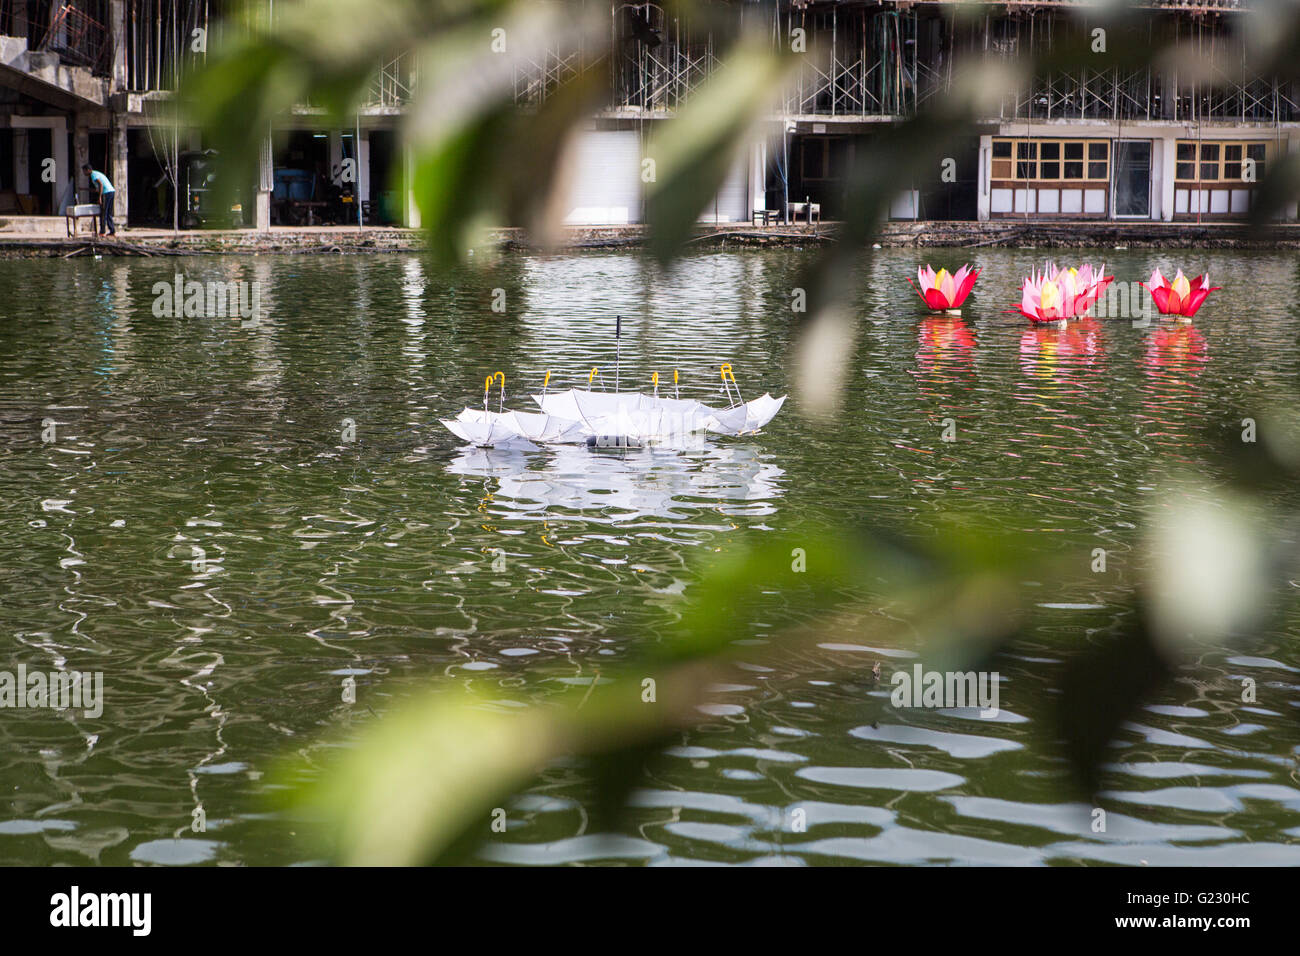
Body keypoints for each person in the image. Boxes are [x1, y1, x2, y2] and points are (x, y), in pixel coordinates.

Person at [82, 163, 116, 236]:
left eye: (84, 171)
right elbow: (97, 189)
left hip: (106, 193)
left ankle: (102, 232)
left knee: (103, 213)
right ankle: (112, 231)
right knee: (108, 213)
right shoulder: (96, 173)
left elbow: (101, 185)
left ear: (88, 170)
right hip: (111, 191)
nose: (84, 173)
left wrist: (99, 197)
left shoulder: (93, 175)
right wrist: (85, 189)